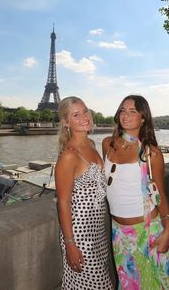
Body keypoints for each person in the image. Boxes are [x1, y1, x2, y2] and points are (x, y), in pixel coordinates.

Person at [102, 94, 169, 289]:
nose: (126, 115)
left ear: (143, 117)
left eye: (133, 111)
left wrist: (168, 229)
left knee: (156, 285)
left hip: (148, 231)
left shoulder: (150, 152)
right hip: (119, 233)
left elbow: (160, 195)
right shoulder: (107, 144)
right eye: (123, 110)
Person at [55, 96, 114, 290]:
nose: (85, 117)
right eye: (76, 114)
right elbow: (63, 203)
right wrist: (71, 244)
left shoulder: (91, 145)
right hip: (79, 235)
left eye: (85, 111)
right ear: (66, 122)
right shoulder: (69, 155)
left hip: (97, 231)